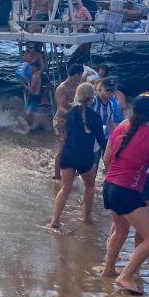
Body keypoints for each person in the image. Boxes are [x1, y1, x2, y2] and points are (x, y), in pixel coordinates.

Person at [101, 95, 149, 294]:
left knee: (120, 230)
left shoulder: (120, 128)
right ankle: (125, 276)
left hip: (109, 186)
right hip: (127, 190)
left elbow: (107, 157)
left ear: (132, 111)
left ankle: (108, 269)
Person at [51, 82, 107, 227]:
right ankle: (86, 218)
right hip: (85, 158)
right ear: (92, 97)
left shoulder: (70, 114)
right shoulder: (95, 117)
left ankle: (55, 220)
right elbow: (101, 141)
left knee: (65, 188)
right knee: (89, 186)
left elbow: (67, 133)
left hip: (67, 155)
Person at [52, 63, 82, 179]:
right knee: (63, 147)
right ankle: (56, 173)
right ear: (76, 74)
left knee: (74, 145)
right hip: (61, 120)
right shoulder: (62, 88)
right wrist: (74, 115)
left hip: (73, 119)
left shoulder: (77, 86)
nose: (81, 77)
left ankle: (71, 170)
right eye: (80, 75)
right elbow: (61, 107)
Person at [88, 72, 122, 169]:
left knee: (110, 163)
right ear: (101, 88)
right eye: (108, 90)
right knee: (93, 165)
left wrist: (117, 137)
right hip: (92, 139)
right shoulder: (93, 101)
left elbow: (110, 123)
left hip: (105, 138)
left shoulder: (111, 104)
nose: (110, 93)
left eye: (113, 90)